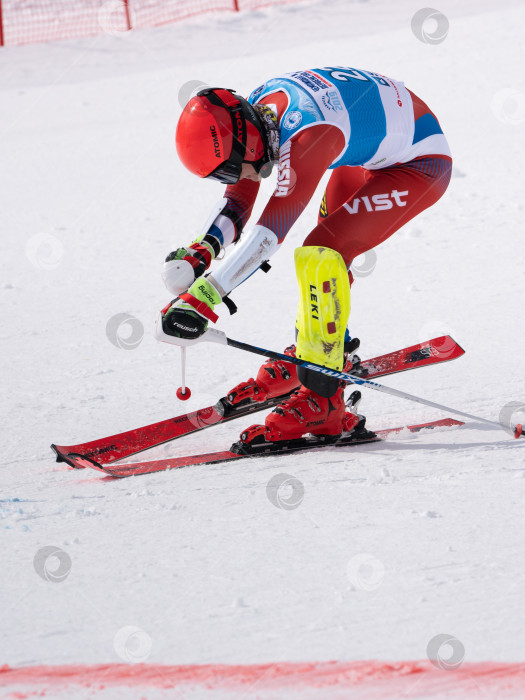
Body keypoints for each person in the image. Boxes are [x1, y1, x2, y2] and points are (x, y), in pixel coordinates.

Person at [159, 67, 452, 445]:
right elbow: (240, 199)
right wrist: (205, 248)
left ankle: (324, 399)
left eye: (231, 169)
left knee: (323, 251)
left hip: (419, 164)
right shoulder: (253, 116)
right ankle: (324, 349)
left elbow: (270, 233)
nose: (236, 178)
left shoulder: (309, 134)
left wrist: (205, 298)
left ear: (246, 146)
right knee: (328, 255)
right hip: (368, 152)